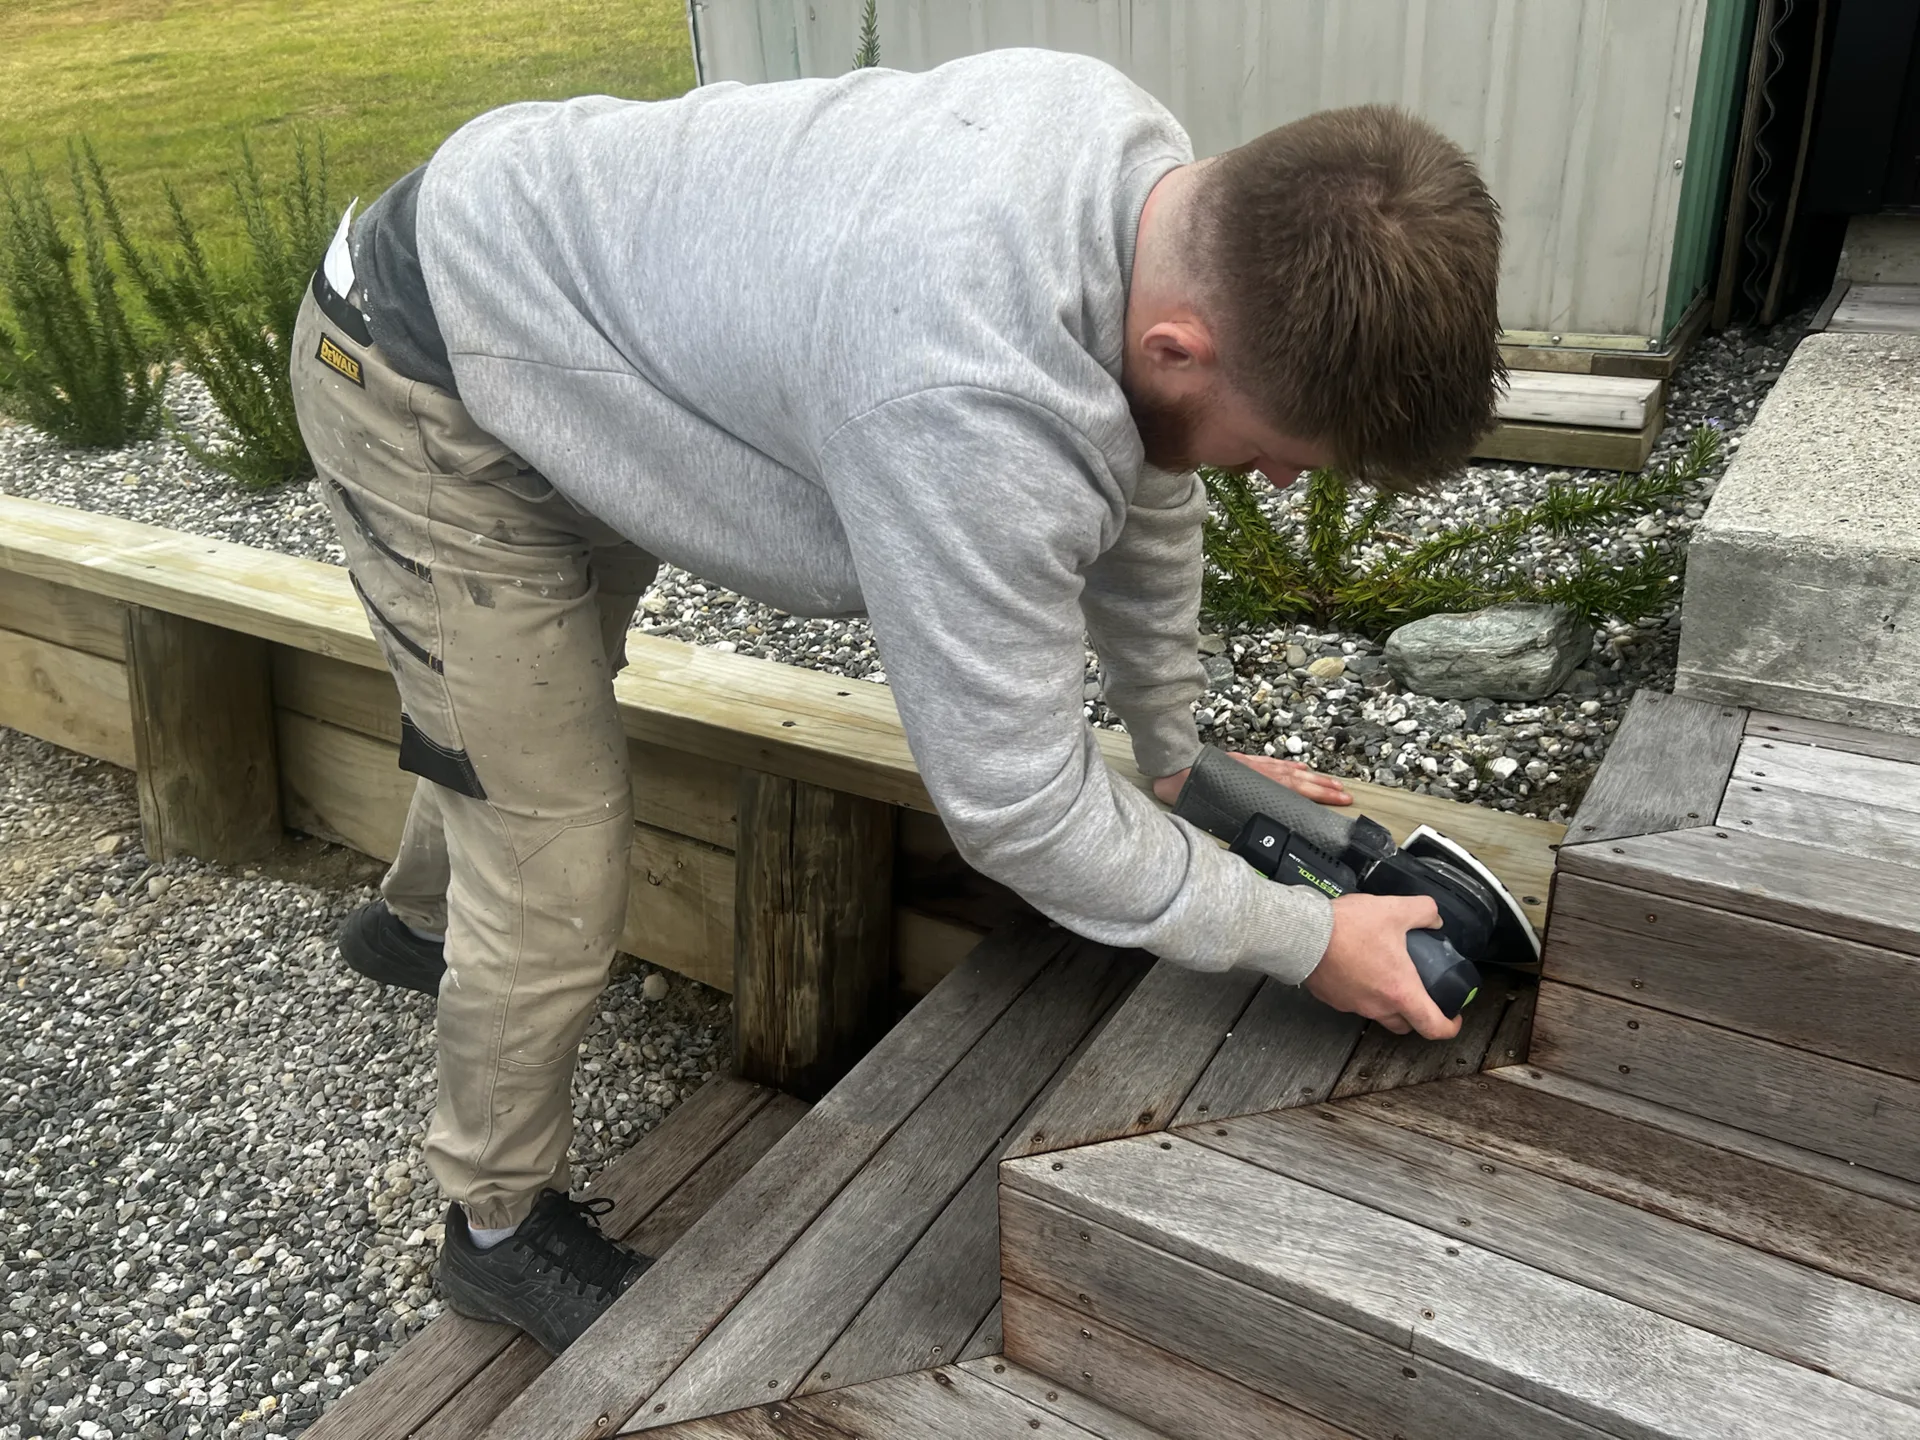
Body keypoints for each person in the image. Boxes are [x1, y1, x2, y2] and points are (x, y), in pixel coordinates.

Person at [288, 47, 1501, 1355]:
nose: (1258, 479)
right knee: (552, 835)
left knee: (518, 706)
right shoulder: (963, 392)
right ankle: (493, 1228)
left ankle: (418, 928)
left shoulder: (1143, 179)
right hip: (421, 368)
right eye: (1269, 451)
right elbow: (1020, 813)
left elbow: (1149, 485)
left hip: (559, 313)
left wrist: (1177, 752)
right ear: (1175, 342)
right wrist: (1309, 941)